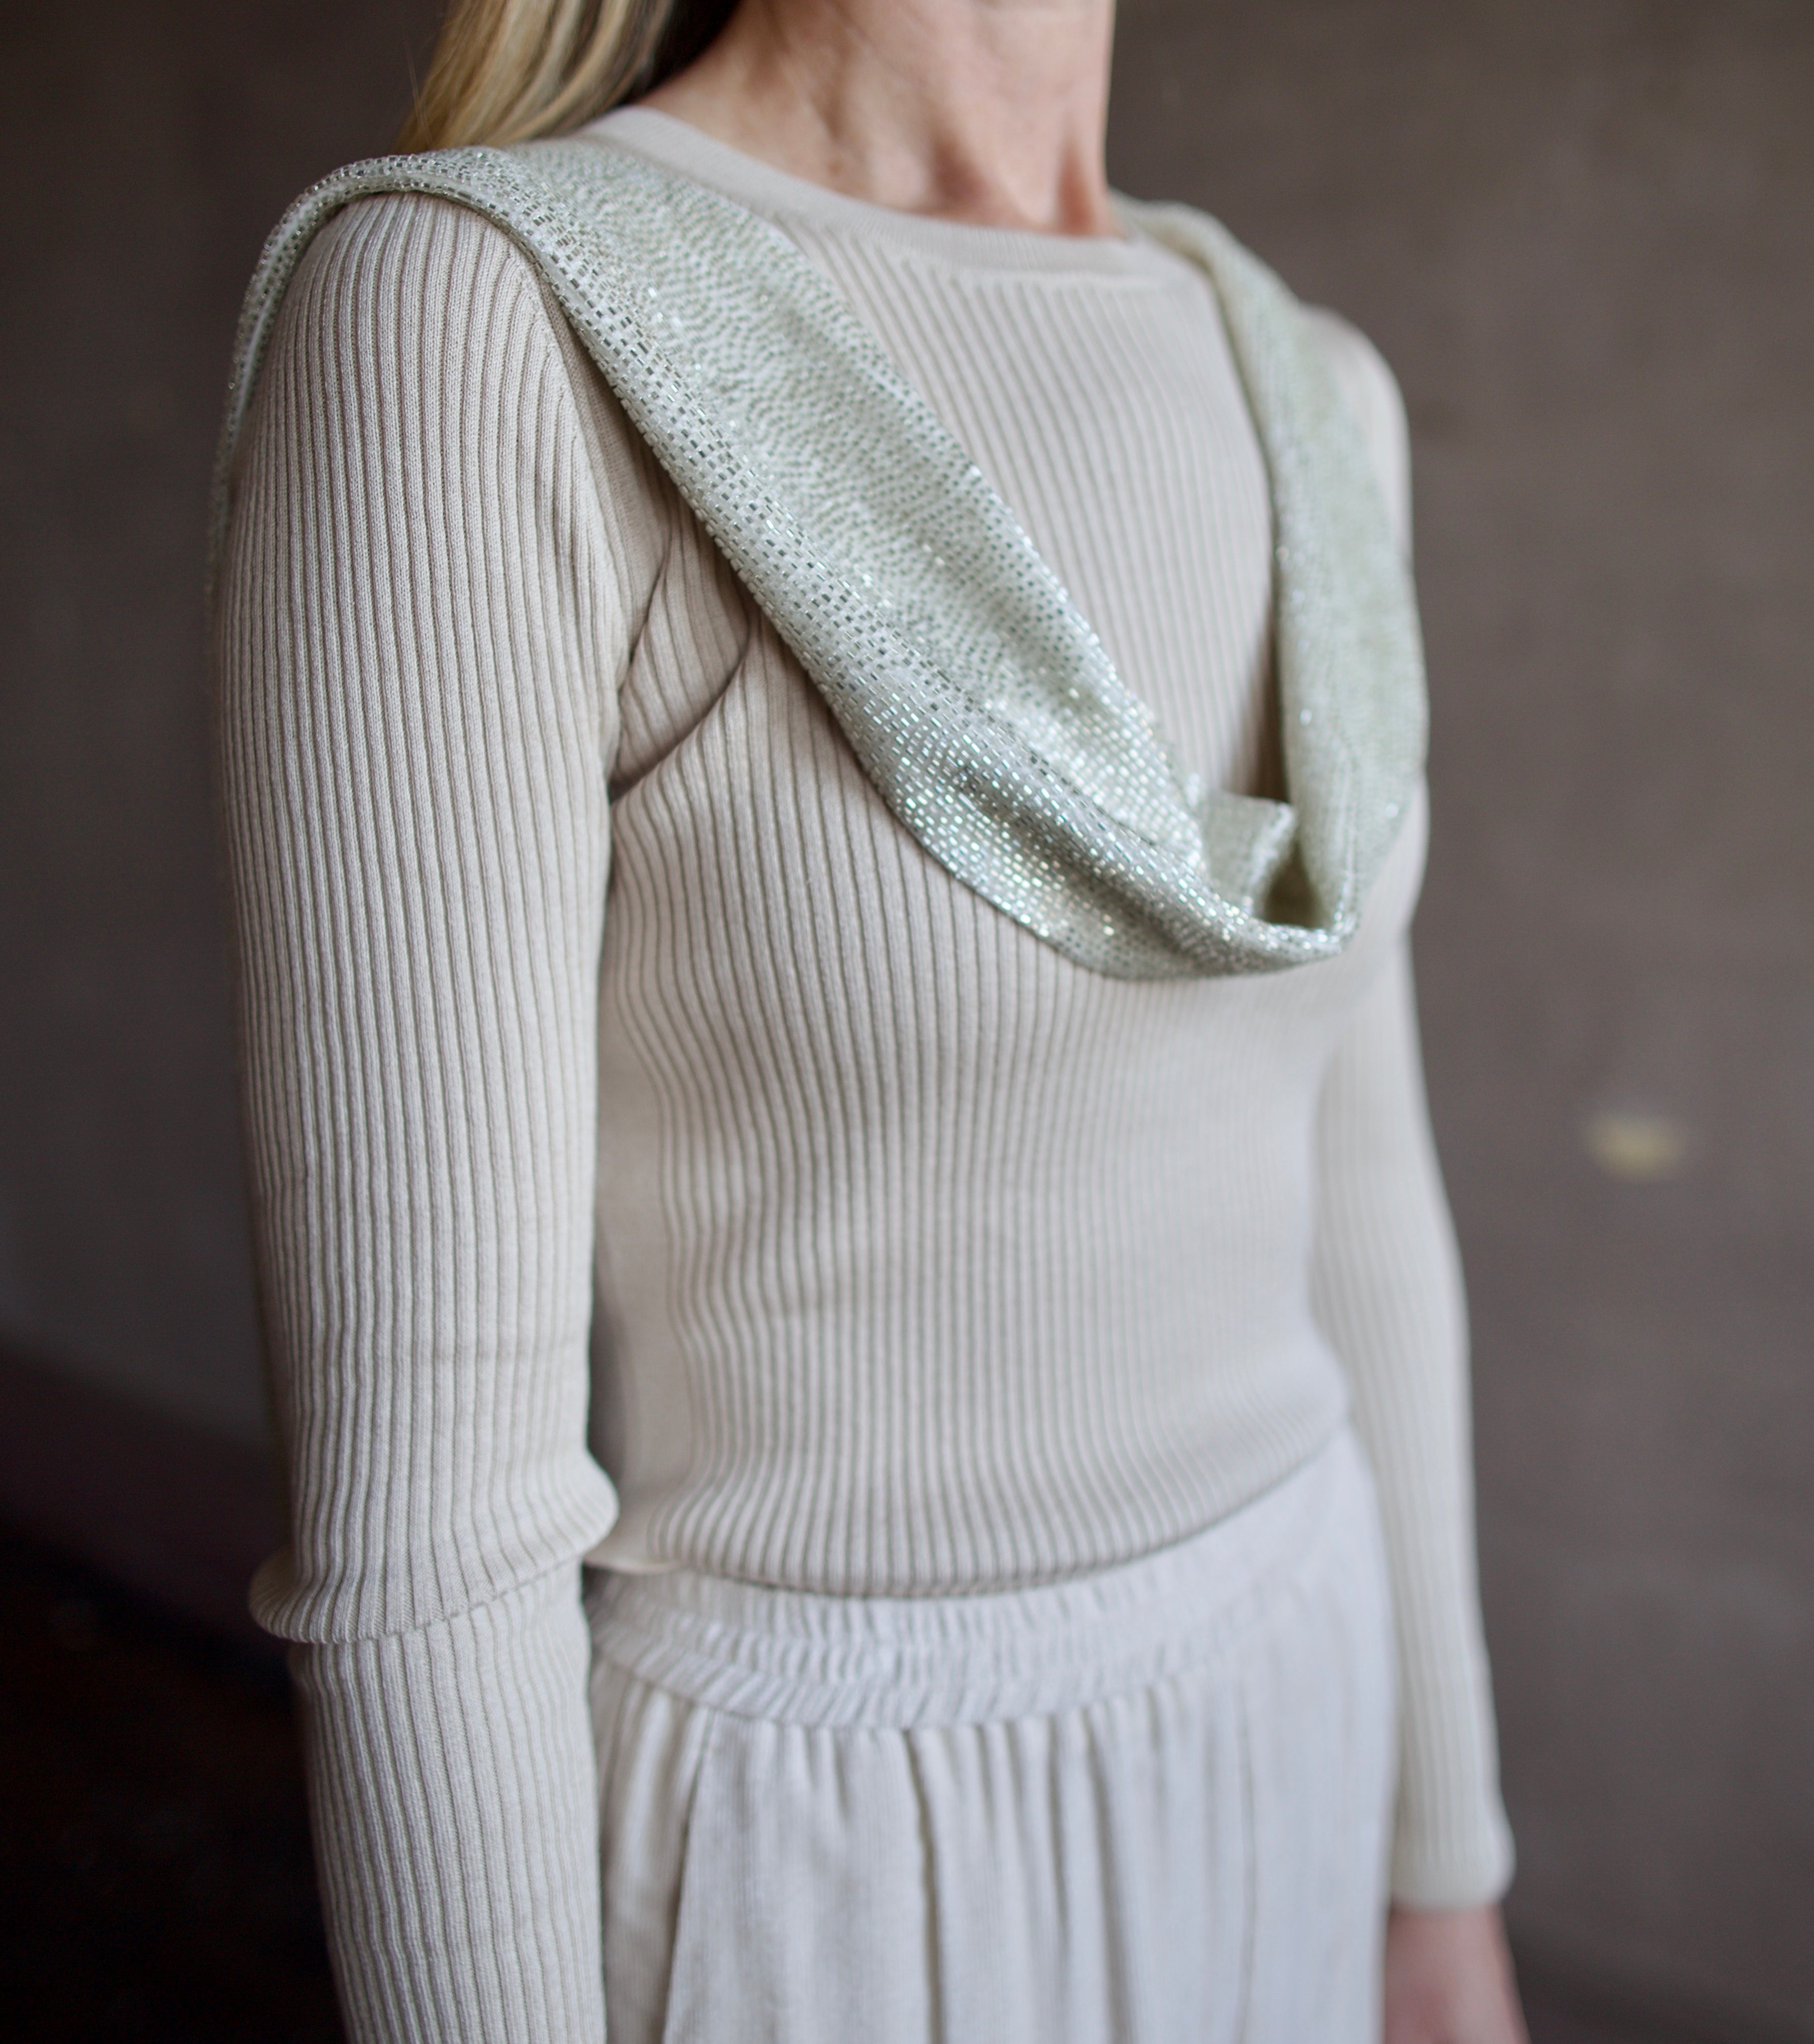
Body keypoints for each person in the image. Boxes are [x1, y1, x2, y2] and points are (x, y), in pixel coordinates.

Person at [212, 1, 1529, 2038]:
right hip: (833, 1857)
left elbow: (1359, 1197)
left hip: (1301, 1709)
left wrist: (1441, 1880)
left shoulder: (1312, 386)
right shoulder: (479, 319)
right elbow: (431, 1527)